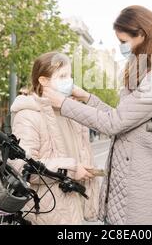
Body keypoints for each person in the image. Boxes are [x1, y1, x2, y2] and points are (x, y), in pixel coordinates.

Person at [43, 5, 152, 225]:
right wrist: (87, 98)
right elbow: (121, 118)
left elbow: (113, 123)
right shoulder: (142, 71)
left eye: (124, 41)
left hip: (143, 193)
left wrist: (63, 104)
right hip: (127, 186)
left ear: (142, 35)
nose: (121, 47)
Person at [9, 52, 100, 224]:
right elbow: (22, 168)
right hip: (47, 213)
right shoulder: (29, 115)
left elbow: (110, 121)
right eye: (63, 76)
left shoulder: (70, 112)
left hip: (72, 208)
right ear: (43, 80)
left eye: (70, 75)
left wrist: (83, 169)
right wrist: (72, 169)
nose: (69, 81)